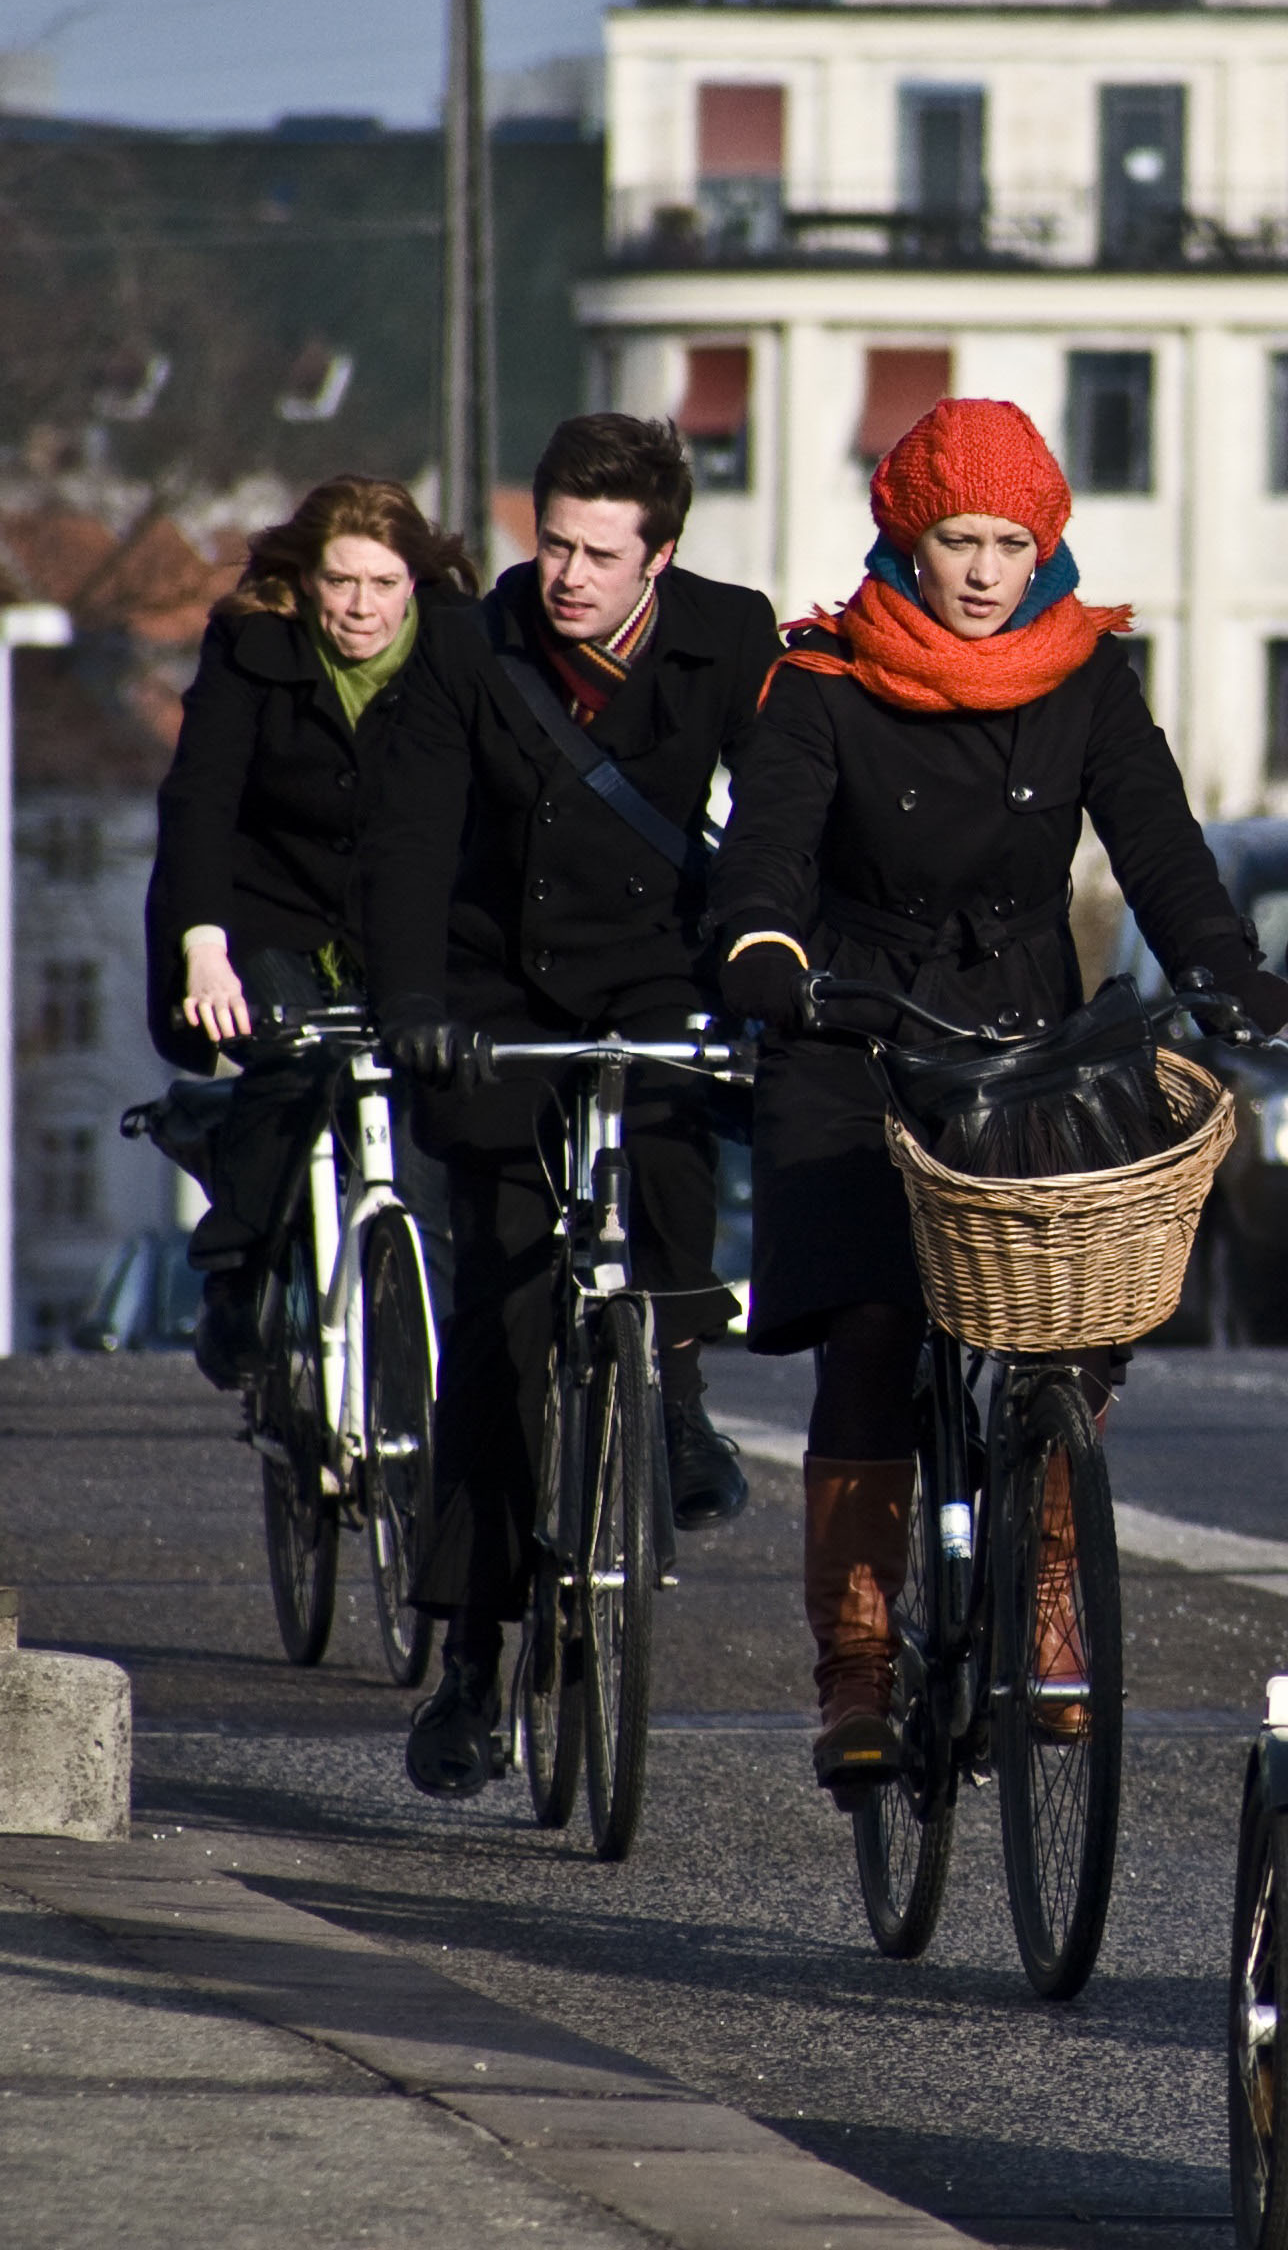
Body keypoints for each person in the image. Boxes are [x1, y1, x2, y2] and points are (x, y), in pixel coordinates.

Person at [706, 397, 1288, 1790]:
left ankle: (1044, 1595)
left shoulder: (1086, 676)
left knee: (1067, 1332)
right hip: (852, 1027)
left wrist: (1227, 970)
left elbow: (1158, 841)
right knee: (868, 1325)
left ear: (1048, 548)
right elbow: (769, 856)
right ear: (906, 538)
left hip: (1022, 1035)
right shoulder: (824, 681)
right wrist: (764, 949)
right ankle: (855, 1660)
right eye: (956, 539)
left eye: (1009, 542)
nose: (980, 570)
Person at [364, 413, 782, 1798]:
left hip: (654, 972)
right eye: (553, 544)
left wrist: (776, 958)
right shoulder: (469, 648)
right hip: (495, 999)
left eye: (602, 554)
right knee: (497, 1312)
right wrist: (411, 1005)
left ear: (661, 555)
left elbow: (777, 817)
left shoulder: (730, 639)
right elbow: (413, 838)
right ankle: (474, 1664)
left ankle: (673, 1396)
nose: (570, 576)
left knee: (672, 1168)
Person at [144, 476, 476, 1386]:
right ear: (306, 579)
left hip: (400, 923)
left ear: (418, 582)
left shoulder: (460, 651)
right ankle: (238, 1282)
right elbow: (202, 801)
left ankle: (429, 1356)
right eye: (340, 583)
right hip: (268, 911)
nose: (360, 608)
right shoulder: (255, 644)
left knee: (426, 1113)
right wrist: (204, 948)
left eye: (382, 583)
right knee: (291, 1064)